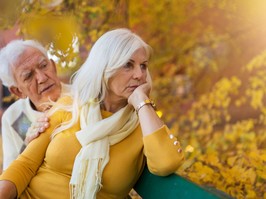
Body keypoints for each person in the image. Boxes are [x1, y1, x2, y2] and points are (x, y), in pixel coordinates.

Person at [0, 28, 184, 199]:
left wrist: (141, 102)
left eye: (144, 66)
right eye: (128, 65)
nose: (140, 75)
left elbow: (166, 162)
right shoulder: (58, 109)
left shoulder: (141, 124)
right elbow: (21, 165)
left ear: (53, 67)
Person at [0, 39, 70, 170]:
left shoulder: (82, 97)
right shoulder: (14, 117)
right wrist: (31, 150)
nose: (42, 78)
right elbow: (11, 174)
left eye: (44, 65)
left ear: (54, 67)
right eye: (28, 76)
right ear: (18, 91)